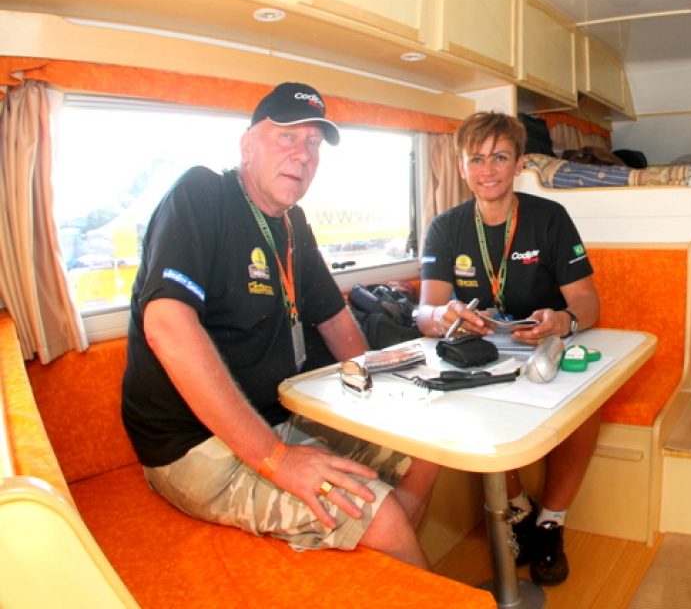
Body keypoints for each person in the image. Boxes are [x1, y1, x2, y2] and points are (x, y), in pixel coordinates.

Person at [121, 82, 438, 568]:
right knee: (383, 518)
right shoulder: (201, 195)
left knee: (425, 450)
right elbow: (166, 326)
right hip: (193, 444)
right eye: (287, 136)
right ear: (247, 145)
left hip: (279, 415)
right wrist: (277, 458)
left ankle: (388, 578)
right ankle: (397, 558)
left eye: (313, 143)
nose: (302, 154)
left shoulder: (292, 224)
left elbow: (335, 320)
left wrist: (384, 404)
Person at [416, 111, 601, 586]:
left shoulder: (550, 218)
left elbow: (587, 302)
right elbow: (425, 311)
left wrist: (563, 319)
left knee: (586, 409)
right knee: (475, 411)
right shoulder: (445, 227)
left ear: (519, 163)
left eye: (500, 157)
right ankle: (517, 506)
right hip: (480, 353)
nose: (488, 170)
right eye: (476, 159)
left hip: (545, 345)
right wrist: (444, 316)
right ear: (461, 167)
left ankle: (550, 521)